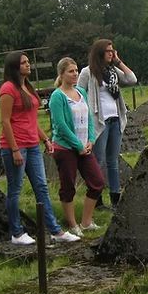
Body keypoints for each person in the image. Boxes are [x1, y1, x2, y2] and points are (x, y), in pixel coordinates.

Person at [0, 51, 79, 245]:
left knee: (41, 187)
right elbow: (5, 121)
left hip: (33, 145)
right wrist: (15, 149)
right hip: (15, 147)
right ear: (14, 67)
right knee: (15, 189)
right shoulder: (8, 89)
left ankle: (55, 231)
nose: (28, 65)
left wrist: (45, 139)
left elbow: (30, 120)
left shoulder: (27, 87)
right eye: (24, 63)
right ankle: (17, 233)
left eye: (28, 62)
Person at [77, 39, 137, 209]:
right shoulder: (87, 72)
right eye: (108, 51)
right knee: (98, 161)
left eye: (113, 50)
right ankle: (96, 199)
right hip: (99, 122)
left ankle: (115, 199)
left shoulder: (113, 71)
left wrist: (118, 61)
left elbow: (132, 79)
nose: (111, 53)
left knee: (113, 160)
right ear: (99, 53)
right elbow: (79, 94)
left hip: (116, 119)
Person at [49, 57, 104, 233]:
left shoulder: (81, 91)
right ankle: (72, 225)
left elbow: (88, 118)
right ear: (62, 74)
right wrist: (77, 145)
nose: (75, 74)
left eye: (76, 70)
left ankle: (86, 222)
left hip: (84, 146)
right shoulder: (57, 96)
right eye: (71, 71)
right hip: (65, 148)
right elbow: (60, 125)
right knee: (68, 186)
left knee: (97, 182)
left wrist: (91, 140)